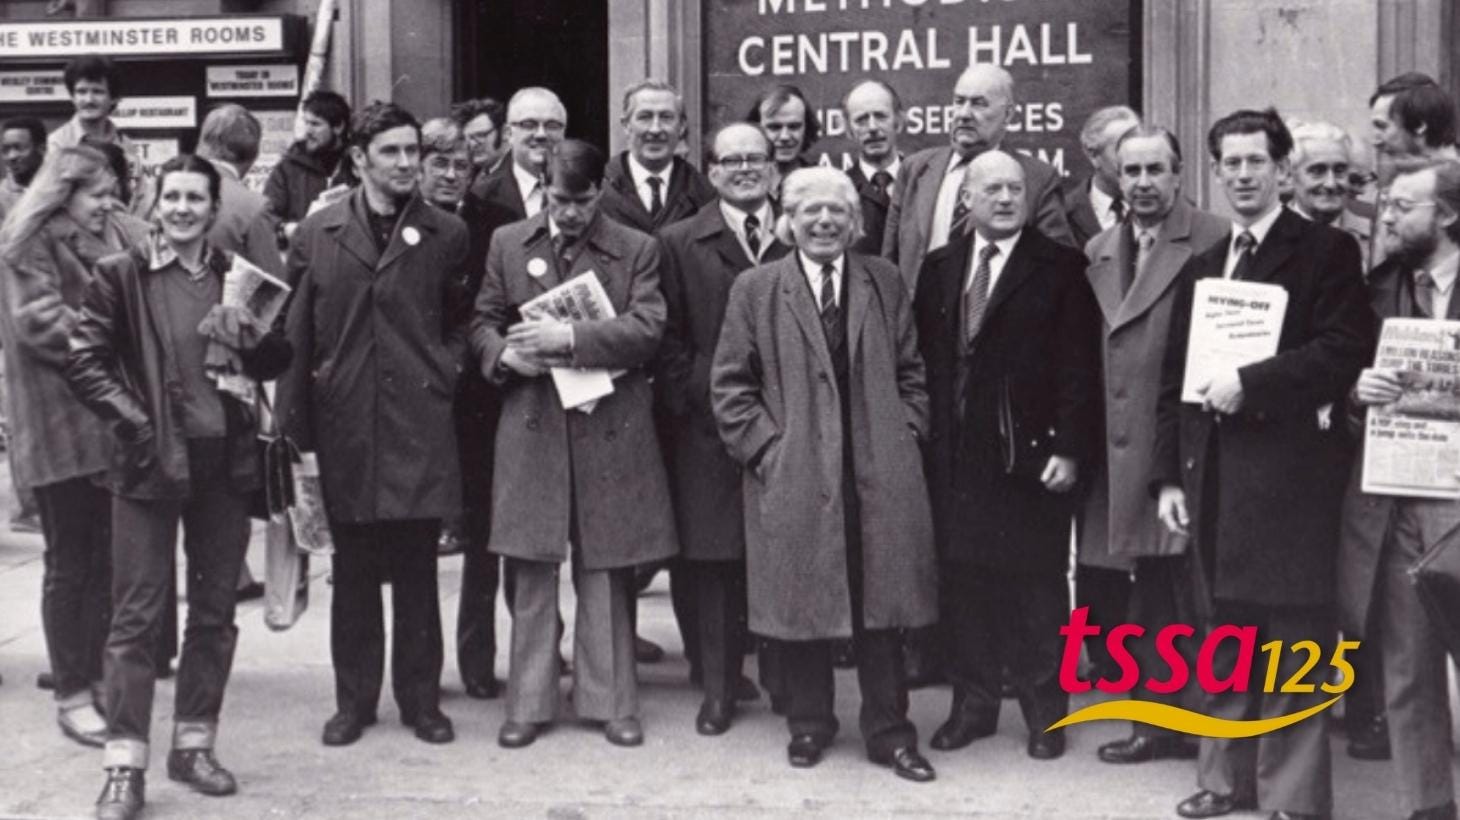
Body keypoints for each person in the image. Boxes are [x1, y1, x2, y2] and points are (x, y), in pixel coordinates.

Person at [1155, 108, 1373, 820]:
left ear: (1282, 170)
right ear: (1216, 174)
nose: (1243, 175)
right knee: (1227, 635)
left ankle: (1292, 797)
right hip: (1216, 478)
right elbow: (1173, 382)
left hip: (1293, 480)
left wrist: (1252, 380)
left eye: (1256, 162)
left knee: (1294, 640)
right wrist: (1167, 479)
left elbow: (1342, 351)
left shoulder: (1326, 252)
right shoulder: (1202, 265)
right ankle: (1224, 782)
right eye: (1231, 164)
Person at [66, 154, 293, 820]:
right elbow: (84, 360)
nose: (185, 208)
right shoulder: (120, 275)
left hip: (223, 466)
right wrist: (137, 422)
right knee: (136, 617)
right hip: (146, 464)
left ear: (215, 207)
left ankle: (194, 745)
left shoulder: (234, 276)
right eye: (173, 197)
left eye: (197, 198)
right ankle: (123, 765)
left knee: (215, 614)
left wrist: (255, 339)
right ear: (154, 201)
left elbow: (275, 358)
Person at [711, 166, 937, 781]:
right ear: (788, 222)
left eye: (836, 212)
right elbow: (731, 386)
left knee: (880, 606)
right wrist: (767, 450)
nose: (823, 221)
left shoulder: (883, 281)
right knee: (806, 603)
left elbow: (912, 370)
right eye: (809, 211)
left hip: (876, 472)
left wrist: (906, 434)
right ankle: (810, 725)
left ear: (855, 222)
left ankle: (890, 732)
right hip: (796, 470)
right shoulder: (757, 289)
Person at [471, 139, 677, 750]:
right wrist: (502, 355)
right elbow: (481, 319)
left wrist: (569, 336)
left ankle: (610, 700)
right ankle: (528, 702)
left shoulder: (636, 247)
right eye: (561, 201)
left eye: (583, 202)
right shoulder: (509, 243)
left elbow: (649, 328)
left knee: (606, 567)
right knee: (531, 566)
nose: (570, 214)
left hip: (608, 425)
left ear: (601, 194)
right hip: (533, 420)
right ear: (543, 188)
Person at [277, 102, 468, 749]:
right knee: (354, 574)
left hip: (418, 424)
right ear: (359, 159)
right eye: (391, 152)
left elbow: (462, 321)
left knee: (418, 573)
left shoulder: (446, 233)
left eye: (413, 150)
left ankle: (422, 703)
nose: (408, 163)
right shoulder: (319, 233)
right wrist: (293, 432)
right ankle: (352, 703)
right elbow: (297, 336)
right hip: (346, 427)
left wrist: (445, 368)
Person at [912, 150, 1099, 762]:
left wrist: (1071, 448)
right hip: (956, 457)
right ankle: (974, 707)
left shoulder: (1061, 267)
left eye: (1015, 188)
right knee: (965, 583)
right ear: (966, 200)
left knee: (1037, 585)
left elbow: (1079, 367)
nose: (1005, 198)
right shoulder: (940, 268)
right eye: (991, 189)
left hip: (1030, 455)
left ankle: (1046, 714)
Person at [1079, 125, 1227, 765]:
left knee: (1198, 591)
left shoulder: (1216, 239)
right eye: (1129, 171)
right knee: (1145, 592)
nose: (1141, 183)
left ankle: (1212, 727)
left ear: (1178, 173)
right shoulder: (1100, 247)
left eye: (1154, 170)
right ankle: (1158, 722)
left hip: (1188, 442)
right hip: (1119, 446)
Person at [0, 145, 147, 750]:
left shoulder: (97, 235)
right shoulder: (26, 243)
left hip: (98, 424)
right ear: (65, 194)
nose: (107, 204)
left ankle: (96, 678)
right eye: (98, 194)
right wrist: (114, 335)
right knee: (70, 564)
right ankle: (72, 692)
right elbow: (38, 323)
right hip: (60, 428)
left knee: (103, 564)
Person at [1338, 159, 1460, 820]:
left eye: (1402, 207)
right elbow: (1344, 388)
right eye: (1385, 205)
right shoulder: (1380, 287)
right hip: (1392, 499)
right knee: (1407, 671)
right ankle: (1429, 808)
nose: (1384, 217)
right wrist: (1359, 393)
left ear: (1445, 214)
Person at [657, 122, 787, 734]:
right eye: (731, 160)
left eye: (755, 159)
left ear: (773, 167)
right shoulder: (681, 241)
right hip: (708, 428)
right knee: (714, 560)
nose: (744, 169)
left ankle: (788, 681)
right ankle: (719, 685)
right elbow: (669, 339)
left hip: (789, 428)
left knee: (787, 551)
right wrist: (696, 395)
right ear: (710, 171)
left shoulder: (800, 230)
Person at [418, 116, 503, 700]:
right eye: (439, 164)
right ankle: (420, 669)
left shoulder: (494, 227)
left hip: (478, 402)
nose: (451, 175)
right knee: (418, 541)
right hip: (418, 402)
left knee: (482, 539)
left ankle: (477, 660)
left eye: (462, 166)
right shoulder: (399, 224)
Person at [884, 63, 1074, 294]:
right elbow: (889, 262)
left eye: (978, 103)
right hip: (918, 323)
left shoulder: (1037, 179)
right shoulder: (915, 169)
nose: (964, 114)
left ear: (1008, 114)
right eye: (959, 101)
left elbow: (1060, 269)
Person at [598, 79, 715, 235]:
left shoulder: (705, 193)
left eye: (666, 117)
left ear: (681, 126)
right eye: (645, 117)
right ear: (626, 125)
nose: (655, 129)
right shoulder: (599, 189)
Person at [47, 55, 150, 219]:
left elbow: (140, 198)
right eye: (81, 91)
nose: (88, 100)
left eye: (97, 91)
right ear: (72, 96)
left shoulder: (125, 145)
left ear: (113, 98)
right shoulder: (57, 144)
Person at [465, 87, 567, 236]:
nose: (541, 134)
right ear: (508, 133)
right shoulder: (481, 196)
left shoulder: (590, 192)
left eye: (552, 125)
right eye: (529, 125)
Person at [195, 104, 284, 277]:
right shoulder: (253, 207)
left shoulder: (156, 193)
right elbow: (274, 286)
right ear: (254, 154)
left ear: (204, 144)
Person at [263, 90, 352, 238]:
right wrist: (286, 229)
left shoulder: (358, 165)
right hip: (301, 253)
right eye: (306, 123)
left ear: (338, 127)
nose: (308, 131)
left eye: (316, 124)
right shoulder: (288, 167)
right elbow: (266, 216)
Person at [1287, 120, 1374, 270]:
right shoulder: (1265, 234)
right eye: (1317, 171)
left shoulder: (1376, 236)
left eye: (1340, 170)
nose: (1331, 184)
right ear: (1291, 175)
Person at [1065, 106, 1141, 249]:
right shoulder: (1063, 216)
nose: (1134, 160)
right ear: (1093, 155)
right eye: (1122, 149)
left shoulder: (1168, 211)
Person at [843, 80, 904, 255]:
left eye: (880, 116)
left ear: (898, 121)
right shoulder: (839, 191)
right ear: (848, 129)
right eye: (861, 120)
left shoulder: (922, 184)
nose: (872, 127)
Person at [747, 84, 819, 178]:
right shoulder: (743, 184)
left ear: (807, 129)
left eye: (794, 127)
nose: (784, 136)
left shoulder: (822, 183)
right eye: (774, 127)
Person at [451, 97, 508, 182]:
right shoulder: (474, 175)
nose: (473, 144)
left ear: (504, 133)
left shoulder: (520, 173)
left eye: (481, 135)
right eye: (468, 138)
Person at [1, 117, 46, 216]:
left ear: (42, 149)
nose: (11, 156)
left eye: (19, 148)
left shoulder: (63, 191)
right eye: (5, 150)